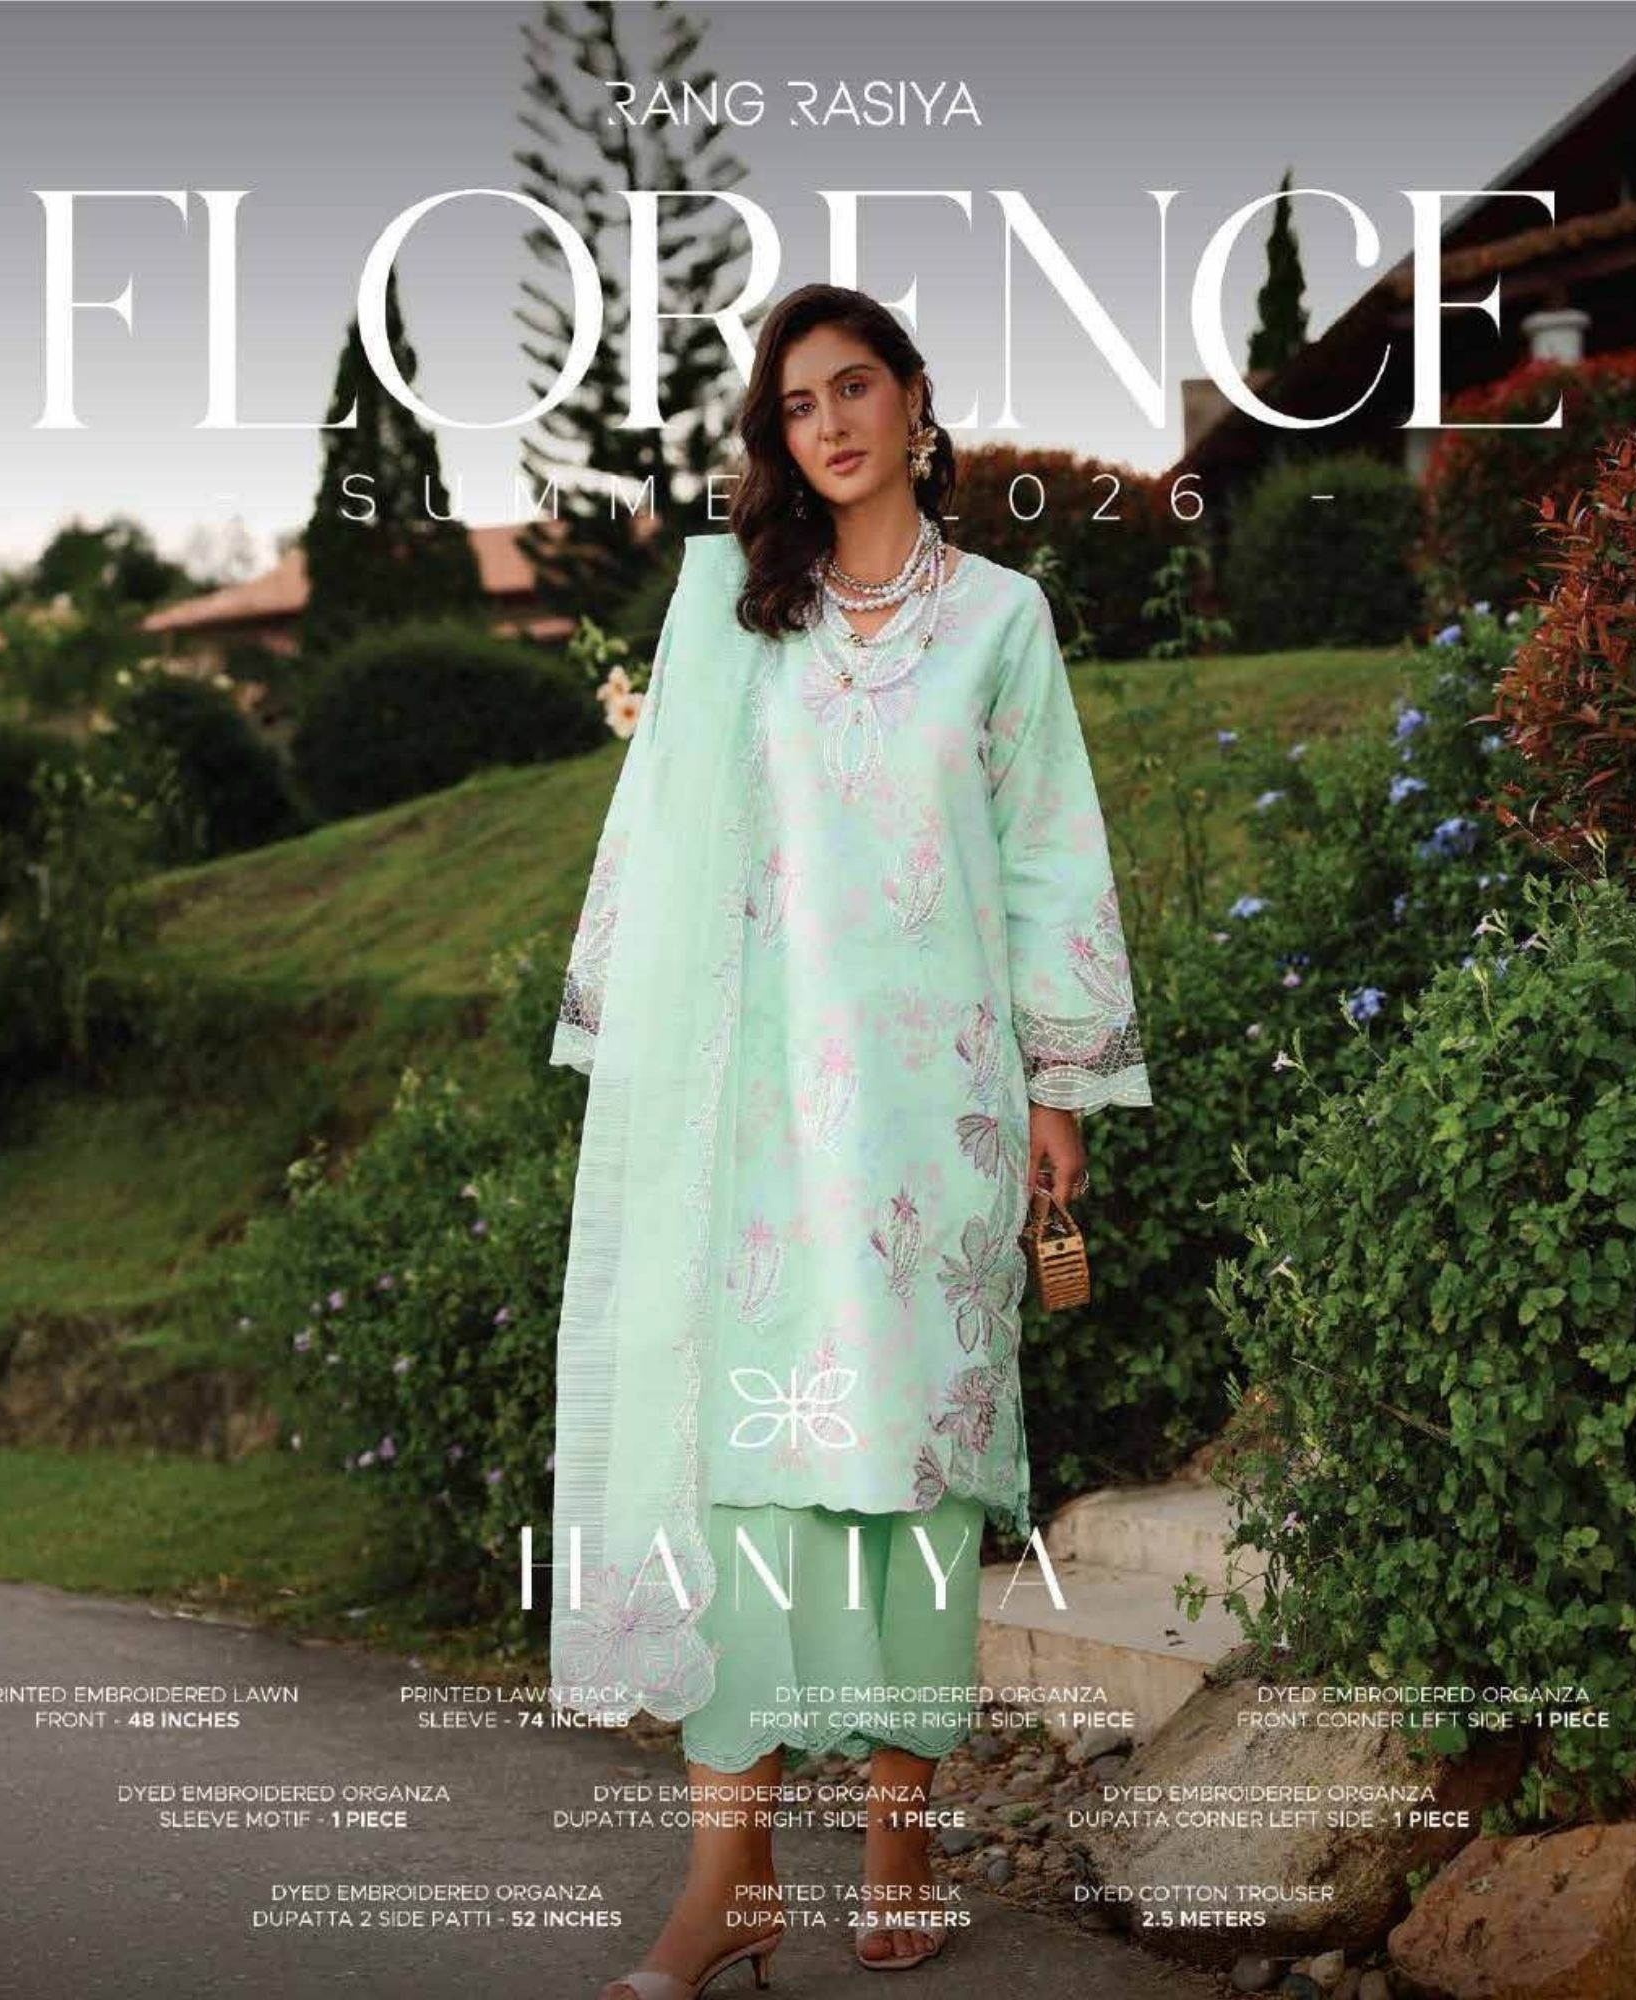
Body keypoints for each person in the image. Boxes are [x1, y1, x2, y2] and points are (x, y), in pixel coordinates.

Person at [546, 284, 1153, 1998]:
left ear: (914, 400)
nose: (828, 423)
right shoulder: (741, 622)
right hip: (754, 1127)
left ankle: (899, 1850)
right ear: (777, 438)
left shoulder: (1003, 621)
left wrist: (1056, 1087)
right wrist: (636, 1053)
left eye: (854, 386)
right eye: (797, 404)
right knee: (747, 1478)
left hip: (936, 1119)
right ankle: (726, 1884)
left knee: (912, 1480)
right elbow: (652, 841)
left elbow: (1048, 853)